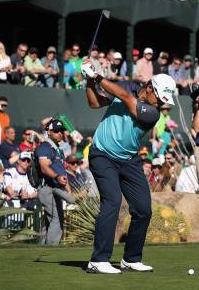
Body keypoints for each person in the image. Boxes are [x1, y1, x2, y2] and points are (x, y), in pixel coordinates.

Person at [83, 56, 176, 273]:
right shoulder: (123, 92)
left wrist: (96, 75)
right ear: (150, 88)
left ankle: (131, 259)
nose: (161, 105)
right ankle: (98, 260)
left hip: (129, 161)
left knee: (143, 209)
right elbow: (94, 102)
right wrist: (89, 80)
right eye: (160, 99)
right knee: (112, 202)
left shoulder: (151, 114)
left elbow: (124, 96)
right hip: (102, 156)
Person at [36, 119, 76, 245]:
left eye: (61, 131)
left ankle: (43, 245)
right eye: (56, 131)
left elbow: (62, 172)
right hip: (46, 188)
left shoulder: (58, 150)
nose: (60, 133)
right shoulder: (44, 147)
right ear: (49, 132)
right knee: (55, 217)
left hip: (56, 188)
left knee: (53, 218)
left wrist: (68, 190)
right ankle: (52, 248)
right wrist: (57, 177)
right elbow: (44, 167)